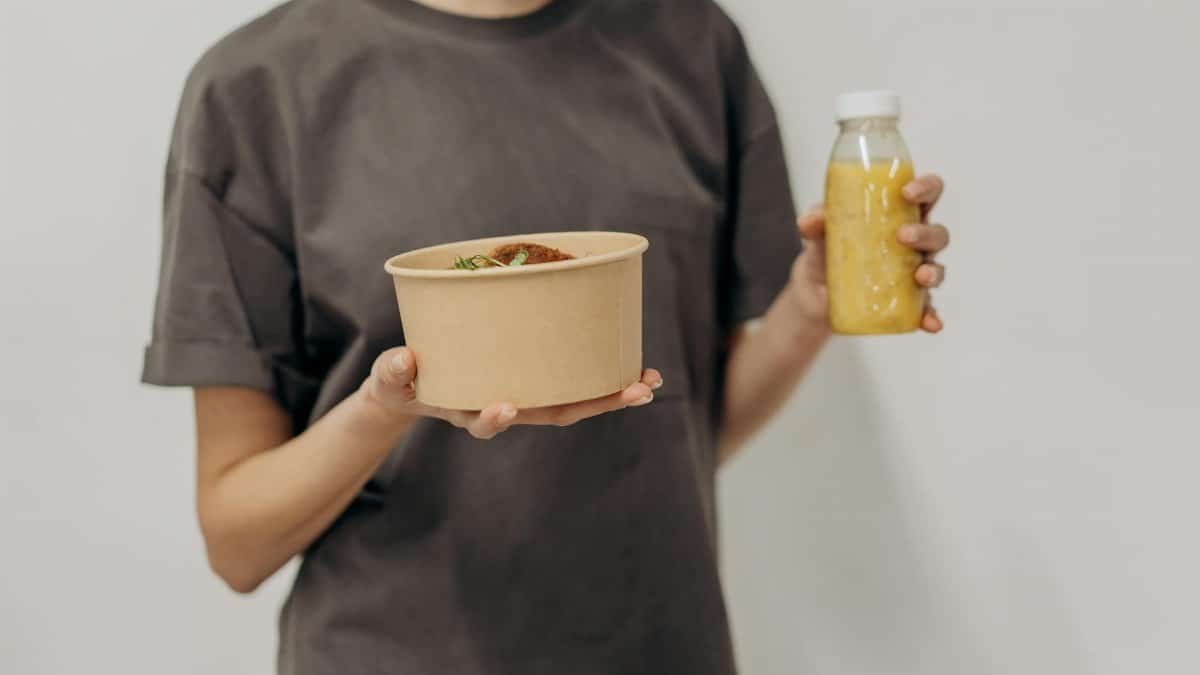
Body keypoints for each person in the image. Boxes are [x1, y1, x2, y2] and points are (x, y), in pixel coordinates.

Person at [141, 0, 950, 672]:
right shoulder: (256, 88)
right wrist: (387, 407)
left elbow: (687, 423)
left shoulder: (693, 43)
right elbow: (236, 539)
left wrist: (810, 305)